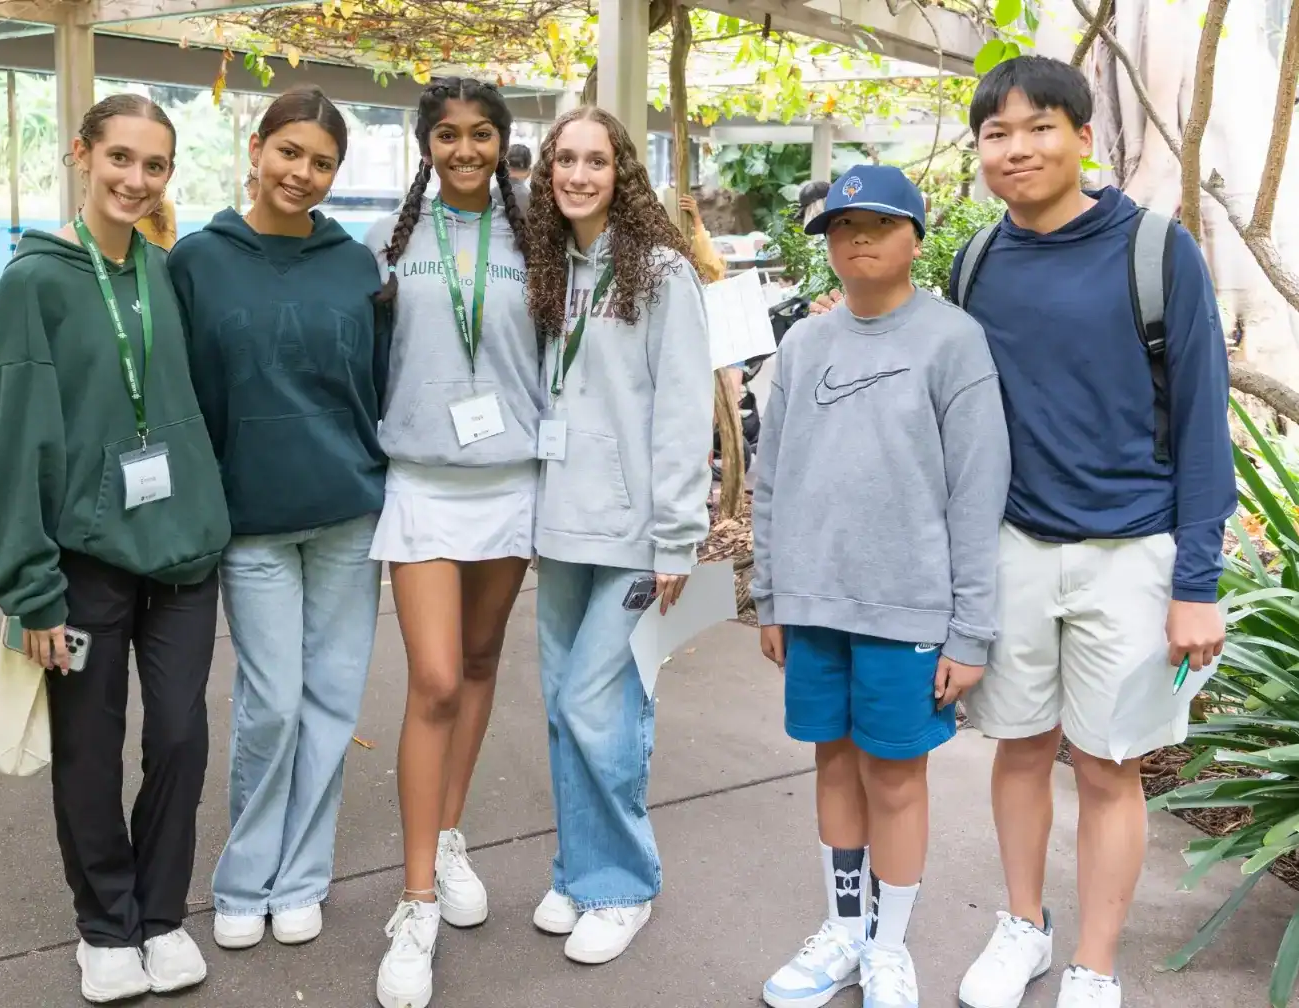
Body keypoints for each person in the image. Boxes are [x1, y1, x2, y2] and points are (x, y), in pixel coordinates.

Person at [807, 57, 1233, 1008]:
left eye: (1040, 126)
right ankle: (1023, 927)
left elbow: (1206, 422)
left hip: (1132, 550)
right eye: (996, 133)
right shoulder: (976, 262)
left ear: (1084, 136)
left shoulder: (1159, 252)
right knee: (1021, 747)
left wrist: (1196, 583)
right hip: (1016, 545)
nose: (1017, 148)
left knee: (1111, 766)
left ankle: (1094, 961)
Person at [0, 93, 231, 1005]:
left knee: (181, 736)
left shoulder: (162, 274)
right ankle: (106, 924)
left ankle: (162, 915)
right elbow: (10, 448)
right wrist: (27, 592)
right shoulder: (33, 284)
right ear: (81, 155)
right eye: (119, 157)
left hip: (183, 558)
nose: (134, 178)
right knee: (90, 742)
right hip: (80, 565)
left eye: (153, 165)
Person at [751, 164, 1010, 1008]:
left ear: (915, 237)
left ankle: (888, 948)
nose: (856, 238)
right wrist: (769, 593)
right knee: (833, 761)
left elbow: (978, 494)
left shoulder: (952, 340)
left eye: (878, 223)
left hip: (909, 607)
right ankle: (843, 929)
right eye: (839, 226)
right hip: (815, 602)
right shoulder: (804, 344)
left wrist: (970, 631)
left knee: (895, 776)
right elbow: (772, 478)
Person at [166, 85, 390, 955]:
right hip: (251, 520)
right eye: (290, 152)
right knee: (271, 707)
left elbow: (379, 382)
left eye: (323, 162)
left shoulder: (356, 265)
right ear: (256, 149)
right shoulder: (197, 260)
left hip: (348, 516)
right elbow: (181, 393)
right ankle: (244, 876)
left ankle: (302, 877)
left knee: (332, 702)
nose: (303, 173)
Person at [520, 105, 714, 966]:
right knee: (564, 708)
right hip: (560, 525)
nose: (578, 175)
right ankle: (578, 870)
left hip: (637, 531)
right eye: (566, 159)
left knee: (602, 705)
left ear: (621, 171)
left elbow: (681, 412)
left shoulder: (663, 272)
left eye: (596, 161)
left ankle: (625, 883)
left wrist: (679, 536)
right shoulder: (546, 266)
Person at [361, 77, 535, 1008]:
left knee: (477, 660)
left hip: (511, 484)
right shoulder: (390, 244)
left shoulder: (538, 243)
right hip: (423, 482)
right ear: (427, 145)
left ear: (505, 144)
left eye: (482, 135)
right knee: (432, 679)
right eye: (448, 135)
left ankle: (451, 832)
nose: (465, 150)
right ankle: (415, 899)